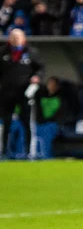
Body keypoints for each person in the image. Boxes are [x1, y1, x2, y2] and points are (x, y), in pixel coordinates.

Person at [0, 29, 43, 158]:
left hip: (25, 93)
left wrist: (37, 77)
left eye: (18, 37)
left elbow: (41, 68)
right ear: (9, 39)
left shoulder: (31, 52)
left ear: (23, 38)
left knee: (27, 122)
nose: (15, 39)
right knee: (5, 123)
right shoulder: (2, 52)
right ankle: (4, 152)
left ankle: (29, 152)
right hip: (6, 93)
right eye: (13, 37)